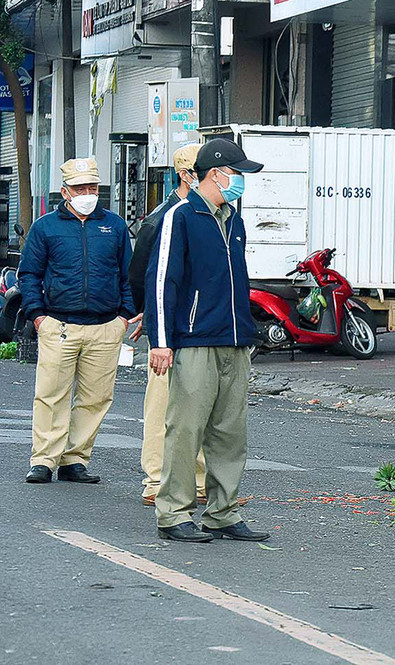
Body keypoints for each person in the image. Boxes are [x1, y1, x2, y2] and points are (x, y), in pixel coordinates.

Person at [144, 138, 269, 544]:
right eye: (238, 174)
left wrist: (246, 334)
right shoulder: (180, 215)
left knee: (230, 432)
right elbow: (162, 279)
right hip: (194, 339)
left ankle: (223, 512)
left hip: (234, 339)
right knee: (185, 429)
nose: (242, 182)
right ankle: (173, 513)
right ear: (216, 174)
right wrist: (160, 340)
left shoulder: (234, 219)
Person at [19, 157, 136, 484]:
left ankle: (75, 459)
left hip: (105, 326)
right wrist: (37, 315)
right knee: (50, 394)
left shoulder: (113, 226)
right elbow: (29, 274)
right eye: (80, 188)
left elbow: (127, 275)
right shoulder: (46, 227)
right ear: (64, 191)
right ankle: (43, 459)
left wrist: (124, 316)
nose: (87, 193)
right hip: (59, 325)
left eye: (92, 187)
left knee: (96, 397)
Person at [128, 143, 208, 507]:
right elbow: (141, 273)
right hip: (167, 325)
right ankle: (157, 479)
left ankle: (199, 480)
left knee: (202, 405)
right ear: (185, 174)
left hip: (203, 325)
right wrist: (149, 312)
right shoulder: (162, 217)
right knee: (162, 405)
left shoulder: (215, 213)